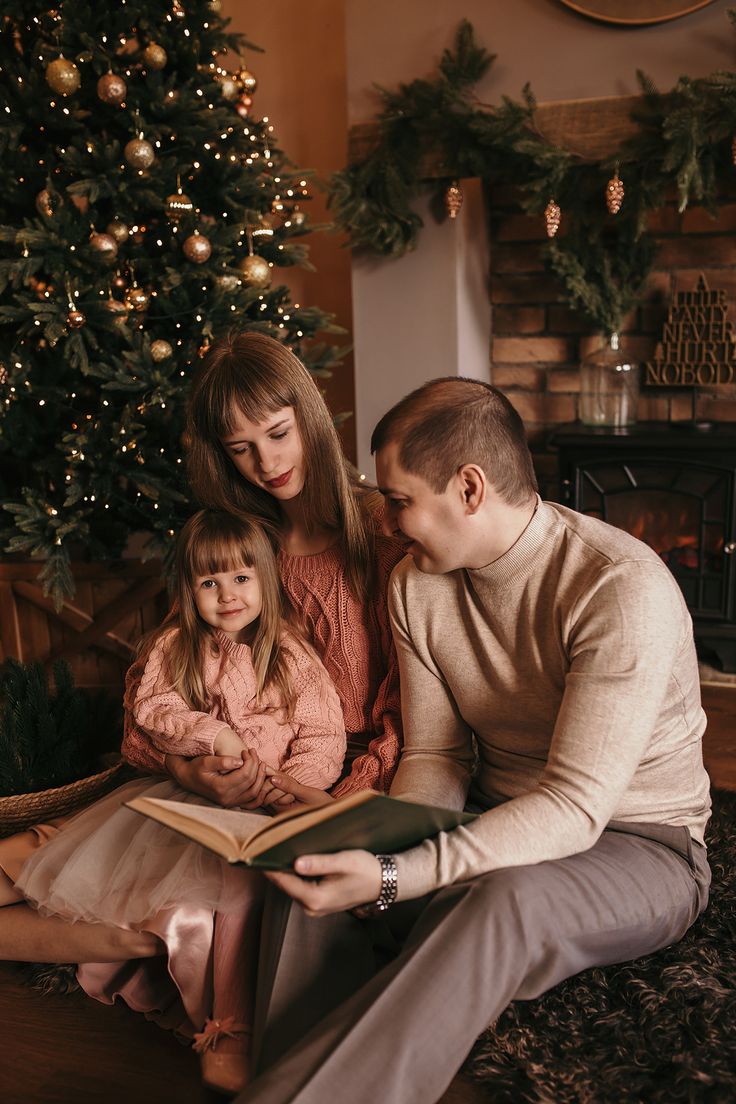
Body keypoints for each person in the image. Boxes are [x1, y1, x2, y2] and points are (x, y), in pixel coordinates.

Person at [236, 376, 712, 1104]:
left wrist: (402, 878)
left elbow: (577, 808)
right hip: (489, 815)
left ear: (468, 488)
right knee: (316, 856)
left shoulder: (618, 588)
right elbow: (437, 755)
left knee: (499, 899)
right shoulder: (415, 585)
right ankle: (283, 1073)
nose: (387, 522)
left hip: (642, 842)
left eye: (399, 501)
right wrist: (384, 840)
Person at [0, 332, 404, 1085]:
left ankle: (220, 1016)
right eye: (241, 448)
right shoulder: (234, 549)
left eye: (278, 434)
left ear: (309, 416)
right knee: (71, 859)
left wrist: (326, 802)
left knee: (166, 925)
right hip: (206, 784)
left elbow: (403, 723)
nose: (267, 463)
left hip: (317, 787)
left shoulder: (381, 534)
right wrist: (194, 774)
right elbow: (151, 711)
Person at [13, 508, 346, 1093]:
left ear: (267, 579)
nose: (228, 594)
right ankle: (227, 1026)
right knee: (87, 865)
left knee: (241, 893)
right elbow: (154, 710)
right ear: (189, 591)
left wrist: (294, 786)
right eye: (209, 582)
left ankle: (234, 1026)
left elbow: (322, 733)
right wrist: (210, 736)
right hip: (181, 799)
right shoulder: (176, 644)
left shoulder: (292, 655)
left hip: (263, 807)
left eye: (242, 578)